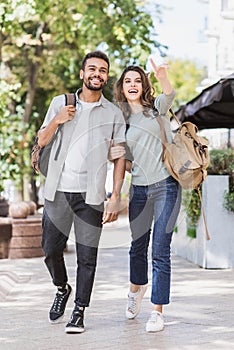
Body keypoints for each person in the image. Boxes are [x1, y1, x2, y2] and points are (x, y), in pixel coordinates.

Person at [37, 51, 126, 334]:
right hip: (57, 191)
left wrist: (114, 195)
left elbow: (120, 156)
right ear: (82, 73)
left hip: (91, 195)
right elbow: (41, 140)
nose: (97, 74)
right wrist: (57, 120)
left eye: (102, 70)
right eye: (92, 69)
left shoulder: (112, 113)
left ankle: (79, 310)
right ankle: (62, 288)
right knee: (50, 250)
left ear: (106, 76)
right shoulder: (61, 103)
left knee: (87, 256)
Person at [111, 60, 181, 332]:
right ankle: (134, 290)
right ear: (122, 87)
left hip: (166, 186)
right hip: (138, 189)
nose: (132, 85)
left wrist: (163, 76)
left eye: (137, 81)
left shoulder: (155, 110)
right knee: (137, 246)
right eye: (128, 81)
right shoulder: (120, 121)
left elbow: (169, 95)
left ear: (143, 86)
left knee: (161, 250)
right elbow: (126, 162)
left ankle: (158, 311)